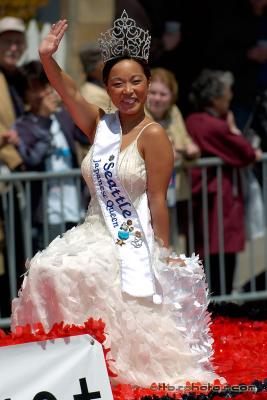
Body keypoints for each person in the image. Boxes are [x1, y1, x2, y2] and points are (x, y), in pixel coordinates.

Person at [11, 12, 222, 386]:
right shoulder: (100, 125)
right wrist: (47, 57)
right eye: (118, 83)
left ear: (148, 83)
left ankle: (109, 365)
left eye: (136, 82)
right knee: (47, 269)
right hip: (92, 228)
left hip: (130, 236)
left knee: (88, 273)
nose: (128, 91)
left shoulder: (154, 135)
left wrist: (163, 250)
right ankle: (60, 368)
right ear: (107, 88)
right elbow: (68, 91)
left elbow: (158, 199)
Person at [186, 69, 261, 296]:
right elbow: (246, 152)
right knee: (221, 259)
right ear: (216, 97)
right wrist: (233, 129)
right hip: (219, 201)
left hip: (210, 201)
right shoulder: (212, 125)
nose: (230, 97)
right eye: (227, 92)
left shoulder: (194, 121)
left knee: (209, 257)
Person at [13, 60, 82, 250]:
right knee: (54, 261)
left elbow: (86, 137)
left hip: (74, 204)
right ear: (25, 94)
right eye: (35, 89)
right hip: (47, 210)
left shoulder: (63, 117)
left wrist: (71, 103)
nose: (43, 93)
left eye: (45, 87)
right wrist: (43, 119)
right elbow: (32, 159)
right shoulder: (24, 125)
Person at [0, 16, 26, 318]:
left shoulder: (19, 77)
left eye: (18, 41)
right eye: (7, 41)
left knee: (19, 251)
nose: (13, 47)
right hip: (8, 170)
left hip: (19, 175)